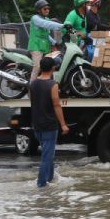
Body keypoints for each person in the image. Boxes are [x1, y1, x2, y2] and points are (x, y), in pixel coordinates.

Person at [29, 56, 69, 188]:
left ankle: (50, 178)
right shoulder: (52, 85)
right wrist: (63, 124)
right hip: (49, 125)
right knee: (47, 156)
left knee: (48, 154)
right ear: (53, 68)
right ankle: (41, 184)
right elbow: (57, 105)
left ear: (40, 67)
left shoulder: (33, 84)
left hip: (37, 124)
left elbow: (32, 101)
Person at [27, 0, 64, 82]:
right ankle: (31, 87)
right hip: (36, 47)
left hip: (45, 48)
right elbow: (47, 24)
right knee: (37, 66)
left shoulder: (46, 18)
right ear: (38, 10)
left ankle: (48, 84)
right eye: (45, 9)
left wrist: (55, 43)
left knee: (53, 64)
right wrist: (63, 26)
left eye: (48, 8)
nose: (47, 10)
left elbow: (46, 35)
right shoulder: (35, 18)